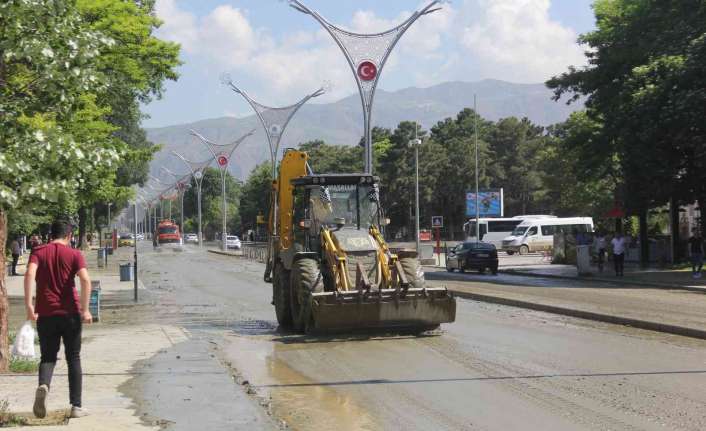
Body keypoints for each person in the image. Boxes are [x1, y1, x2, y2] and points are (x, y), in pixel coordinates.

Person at [23, 219, 92, 419]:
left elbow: (29, 274)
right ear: (69, 236)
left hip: (45, 314)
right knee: (74, 358)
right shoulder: (74, 254)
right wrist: (85, 310)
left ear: (51, 234)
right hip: (70, 314)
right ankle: (76, 406)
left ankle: (44, 385)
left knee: (48, 357)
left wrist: (29, 306)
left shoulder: (38, 252)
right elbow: (86, 280)